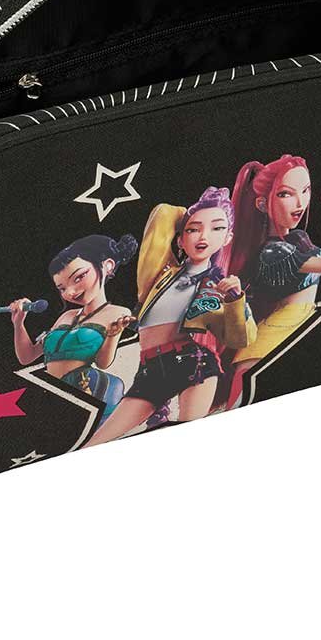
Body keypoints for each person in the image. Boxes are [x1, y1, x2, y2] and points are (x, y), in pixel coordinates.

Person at [84, 187, 257, 447]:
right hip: (149, 369)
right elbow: (162, 216)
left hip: (194, 363)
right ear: (180, 239)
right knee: (94, 444)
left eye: (217, 228)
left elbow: (240, 339)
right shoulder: (162, 273)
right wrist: (185, 215)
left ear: (228, 237)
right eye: (193, 229)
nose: (203, 236)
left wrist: (235, 300)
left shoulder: (219, 286)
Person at [217, 155, 321, 409]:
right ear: (262, 204)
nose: (300, 203)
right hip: (270, 344)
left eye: (305, 191)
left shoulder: (297, 238)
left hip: (292, 330)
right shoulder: (273, 251)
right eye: (285, 194)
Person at [8, 234, 138, 421]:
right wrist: (18, 323)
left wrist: (111, 336)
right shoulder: (66, 316)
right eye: (62, 288)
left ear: (107, 266)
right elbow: (27, 357)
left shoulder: (117, 312)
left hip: (87, 395)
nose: (70, 292)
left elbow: (103, 363)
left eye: (78, 277)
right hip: (52, 396)